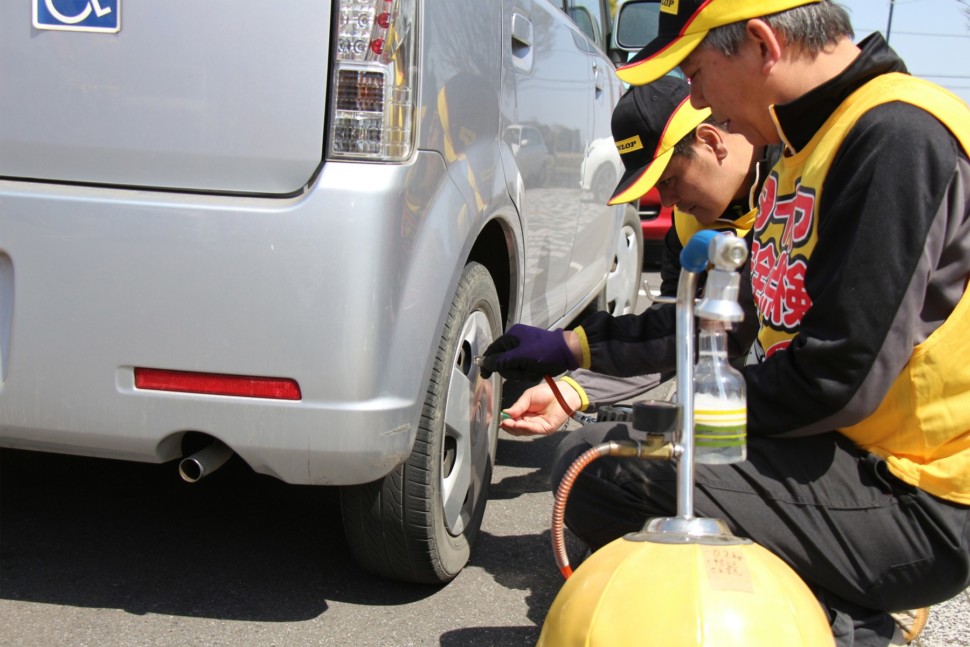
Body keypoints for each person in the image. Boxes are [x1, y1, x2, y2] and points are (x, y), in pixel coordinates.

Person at [484, 2, 970, 646]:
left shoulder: (896, 139)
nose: (699, 100)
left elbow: (837, 378)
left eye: (696, 73)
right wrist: (574, 352)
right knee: (590, 465)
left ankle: (850, 619)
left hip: (914, 493)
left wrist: (675, 421)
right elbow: (730, 324)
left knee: (610, 472)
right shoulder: (800, 153)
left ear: (762, 44)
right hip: (838, 451)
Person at [493, 75, 778, 436]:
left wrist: (572, 345)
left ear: (709, 141)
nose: (669, 201)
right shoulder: (688, 225)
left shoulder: (790, 184)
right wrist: (575, 390)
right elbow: (673, 336)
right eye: (658, 188)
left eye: (669, 180)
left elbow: (718, 334)